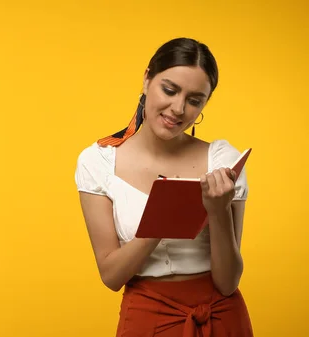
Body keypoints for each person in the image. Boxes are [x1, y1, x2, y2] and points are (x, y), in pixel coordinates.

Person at [74, 37, 254, 337]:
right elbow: (111, 275)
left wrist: (219, 211)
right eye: (169, 90)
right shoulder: (98, 161)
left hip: (220, 318)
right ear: (147, 80)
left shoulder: (222, 161)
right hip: (147, 317)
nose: (178, 108)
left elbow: (227, 282)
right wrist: (163, 220)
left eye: (195, 100)